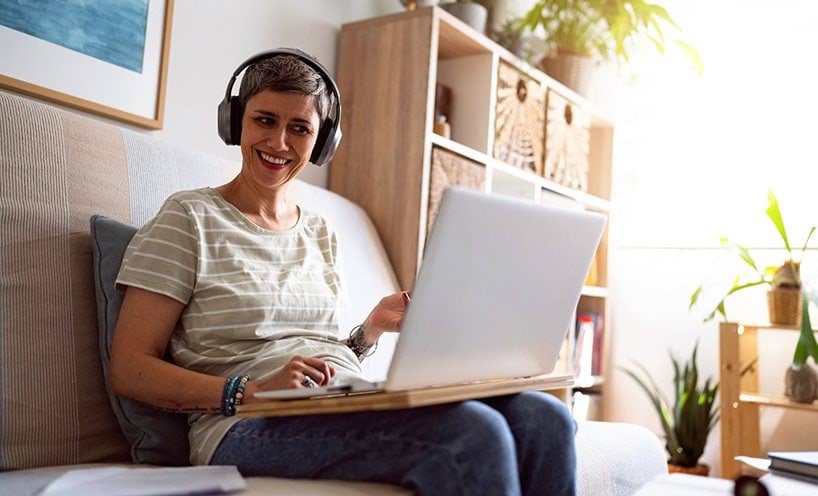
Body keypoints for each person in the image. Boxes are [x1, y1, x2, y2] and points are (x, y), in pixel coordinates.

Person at [110, 48, 577, 496]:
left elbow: (314, 350)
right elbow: (130, 369)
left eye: (300, 128)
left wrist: (369, 332)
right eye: (265, 120)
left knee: (545, 419)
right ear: (235, 121)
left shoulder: (320, 231)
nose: (279, 142)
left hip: (340, 401)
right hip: (241, 425)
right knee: (470, 434)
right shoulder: (188, 218)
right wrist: (249, 392)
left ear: (322, 141)